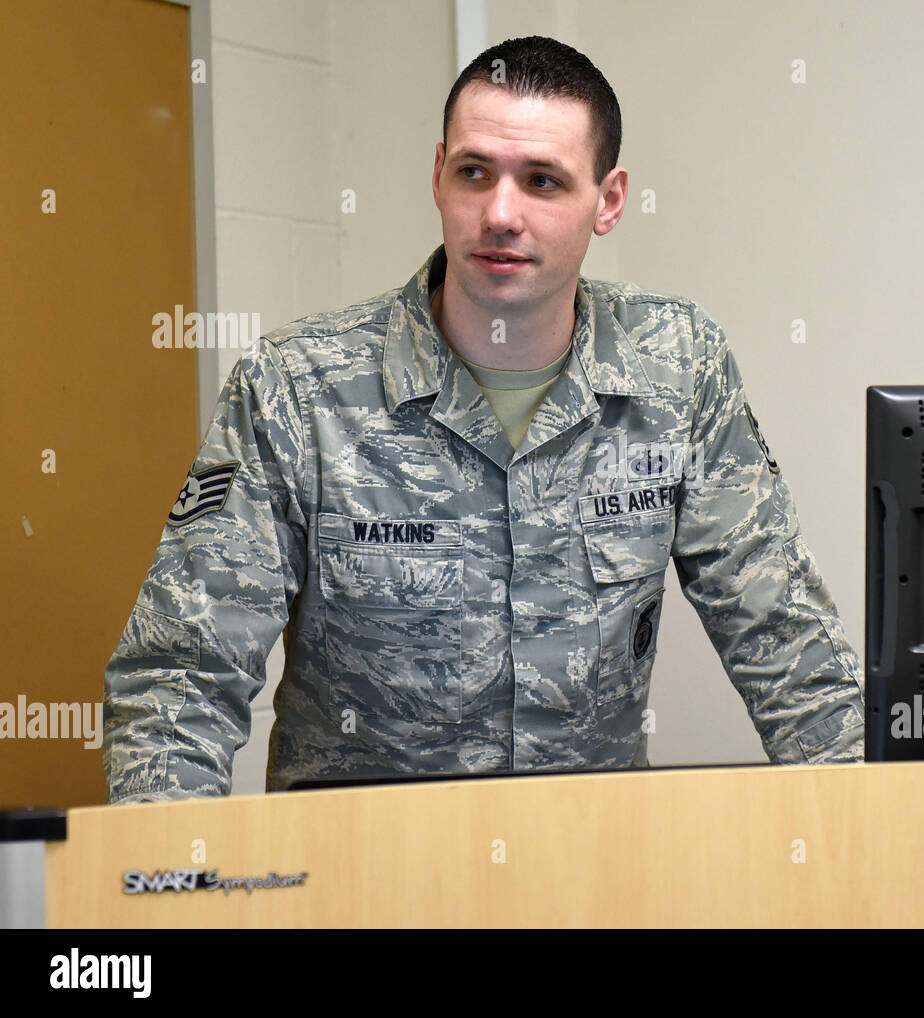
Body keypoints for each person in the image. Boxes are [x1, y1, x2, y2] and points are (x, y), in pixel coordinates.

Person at [102, 35, 865, 804]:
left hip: (584, 874)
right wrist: (174, 881)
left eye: (542, 181)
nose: (501, 214)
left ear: (608, 200)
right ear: (438, 177)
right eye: (475, 173)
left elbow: (784, 637)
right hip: (363, 884)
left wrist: (876, 838)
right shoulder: (299, 389)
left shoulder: (676, 367)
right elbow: (180, 683)